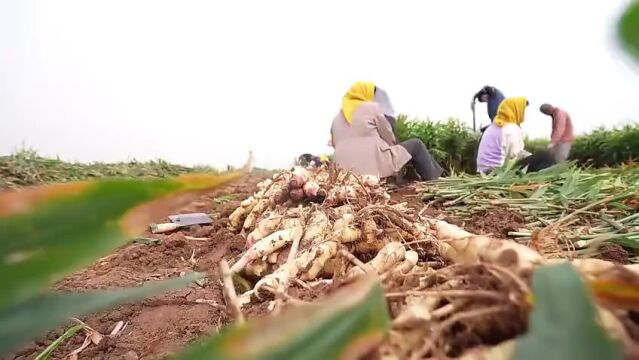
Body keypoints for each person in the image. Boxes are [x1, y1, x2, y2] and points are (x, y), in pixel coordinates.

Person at [330, 82, 443, 181]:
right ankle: (435, 180)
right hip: (372, 167)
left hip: (342, 172)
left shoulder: (336, 119)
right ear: (366, 93)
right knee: (416, 144)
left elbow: (335, 144)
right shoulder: (372, 108)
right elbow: (388, 136)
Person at [476, 97, 533, 174]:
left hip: (482, 170)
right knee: (535, 160)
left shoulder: (494, 125)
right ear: (516, 110)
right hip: (495, 172)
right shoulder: (511, 128)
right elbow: (514, 155)